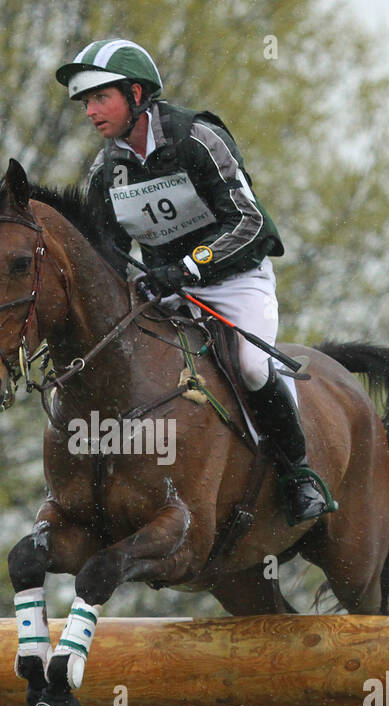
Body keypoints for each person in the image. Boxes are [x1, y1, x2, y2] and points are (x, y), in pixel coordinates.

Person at [56, 38, 336, 525]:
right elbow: (108, 255)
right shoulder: (106, 171)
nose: (91, 112)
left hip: (234, 282)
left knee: (250, 364)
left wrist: (189, 266)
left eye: (101, 98)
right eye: (86, 102)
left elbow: (249, 223)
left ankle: (299, 474)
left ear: (137, 94)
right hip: (163, 295)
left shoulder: (198, 139)